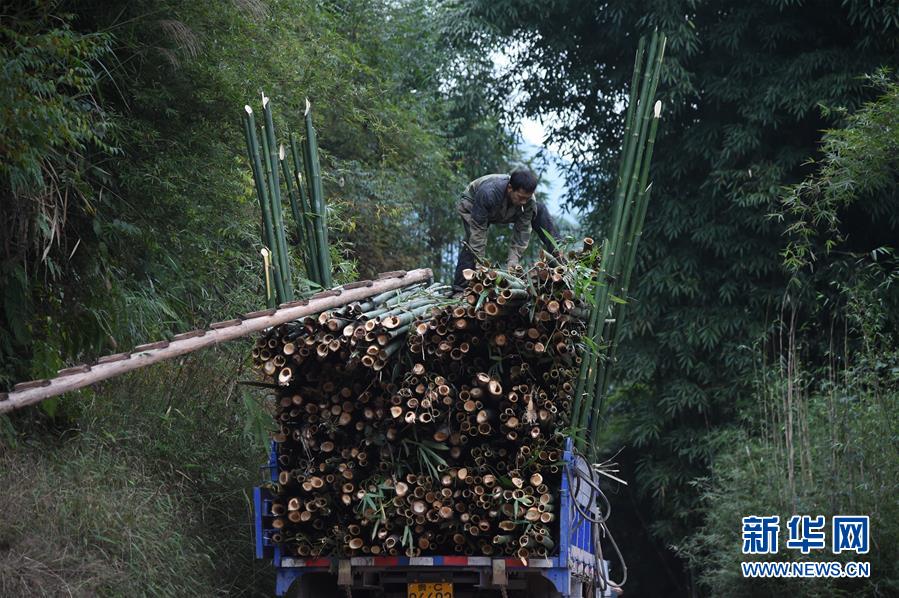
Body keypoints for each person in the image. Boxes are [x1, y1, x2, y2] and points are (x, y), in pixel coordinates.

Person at [452, 167, 538, 290]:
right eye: (520, 197)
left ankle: (559, 253)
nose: (524, 201)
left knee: (541, 211)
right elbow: (478, 232)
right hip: (473, 205)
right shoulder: (489, 192)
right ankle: (460, 286)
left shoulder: (529, 201)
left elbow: (522, 232)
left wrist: (512, 264)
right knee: (472, 242)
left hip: (502, 208)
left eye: (527, 198)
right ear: (510, 188)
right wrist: (480, 265)